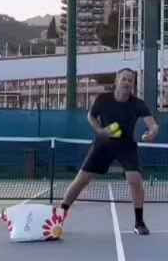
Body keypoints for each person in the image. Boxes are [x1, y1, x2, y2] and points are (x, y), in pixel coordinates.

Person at [59, 67, 159, 235]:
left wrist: (151, 133)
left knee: (135, 180)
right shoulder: (103, 99)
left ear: (133, 84)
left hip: (126, 147)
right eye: (124, 79)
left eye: (130, 80)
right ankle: (60, 215)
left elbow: (153, 125)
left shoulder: (138, 104)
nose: (127, 83)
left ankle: (139, 222)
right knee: (81, 180)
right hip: (103, 144)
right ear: (117, 81)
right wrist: (101, 130)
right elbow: (91, 116)